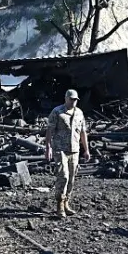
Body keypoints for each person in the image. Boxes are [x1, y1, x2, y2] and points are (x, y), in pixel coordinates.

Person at [45, 89, 90, 218]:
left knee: (71, 178)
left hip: (74, 150)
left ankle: (66, 203)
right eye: (71, 99)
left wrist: (86, 150)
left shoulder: (79, 113)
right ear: (66, 98)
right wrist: (48, 147)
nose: (73, 102)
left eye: (75, 100)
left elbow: (83, 132)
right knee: (63, 176)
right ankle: (59, 204)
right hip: (60, 149)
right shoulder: (57, 112)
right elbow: (50, 130)